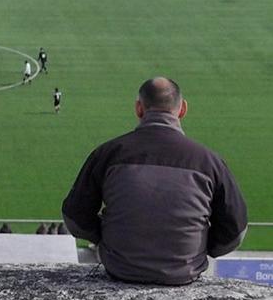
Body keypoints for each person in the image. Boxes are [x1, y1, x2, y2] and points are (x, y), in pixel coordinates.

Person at [62, 76, 248, 286]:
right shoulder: (208, 161)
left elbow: (75, 217)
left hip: (122, 269)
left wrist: (104, 237)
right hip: (183, 274)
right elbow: (236, 230)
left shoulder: (109, 154)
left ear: (139, 109)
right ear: (183, 109)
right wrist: (201, 247)